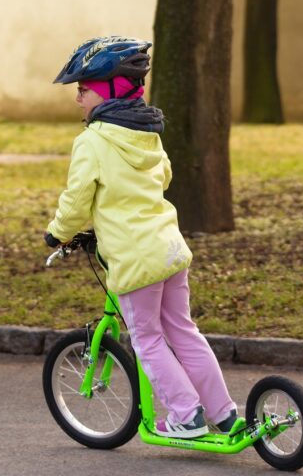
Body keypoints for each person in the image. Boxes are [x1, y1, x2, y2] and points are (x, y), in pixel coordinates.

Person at [44, 36, 237, 439]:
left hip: (134, 259)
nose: (78, 98)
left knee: (147, 341)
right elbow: (162, 176)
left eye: (83, 89)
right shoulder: (147, 130)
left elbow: (78, 200)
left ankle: (187, 416)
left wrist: (57, 234)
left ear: (109, 89)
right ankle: (224, 411)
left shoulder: (92, 142)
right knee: (183, 331)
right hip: (168, 249)